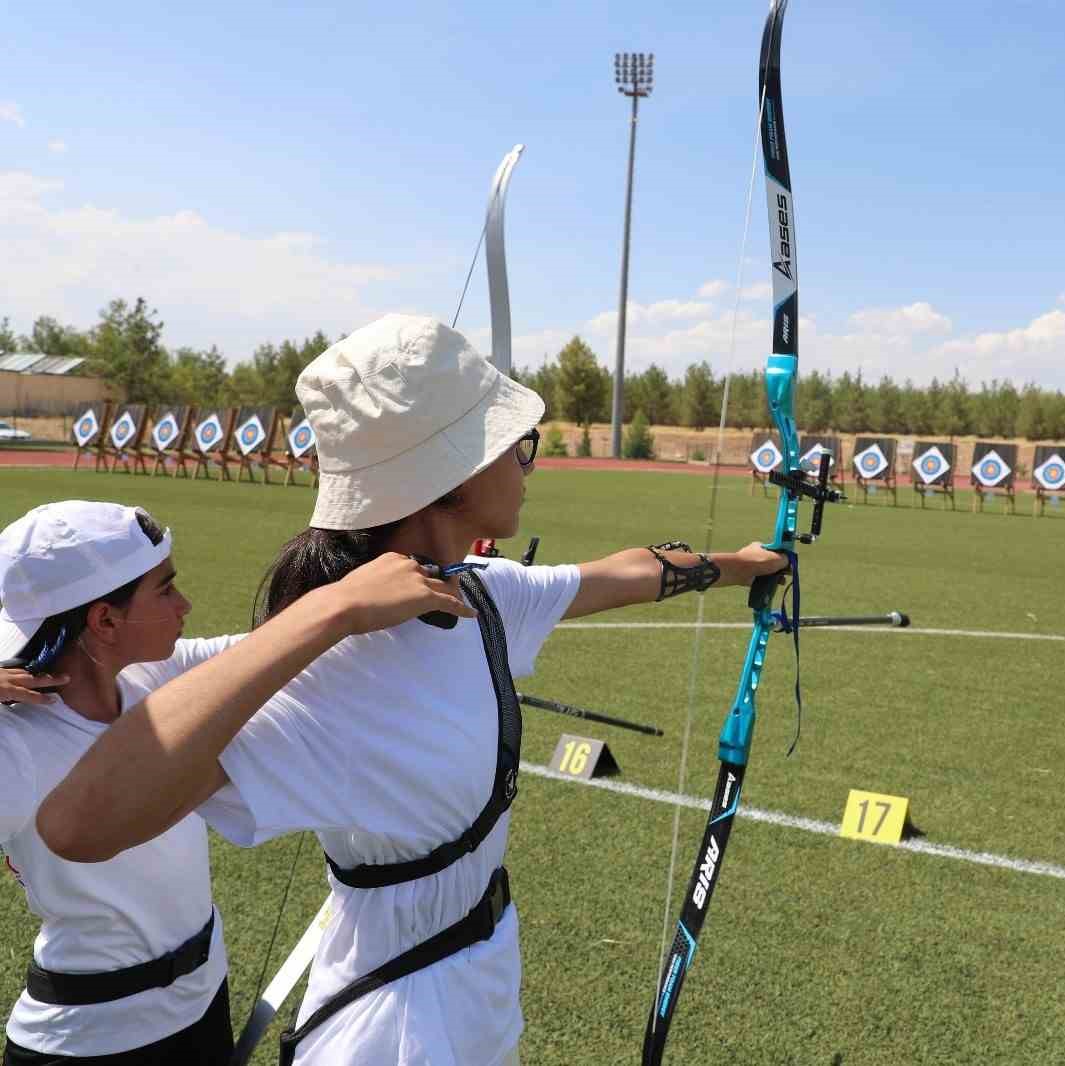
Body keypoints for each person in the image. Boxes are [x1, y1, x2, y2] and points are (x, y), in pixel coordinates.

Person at [37, 314, 788, 1065]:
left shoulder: (485, 595)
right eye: (515, 447)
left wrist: (747, 563)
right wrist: (331, 612)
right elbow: (77, 825)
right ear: (454, 477)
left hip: (476, 982)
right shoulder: (321, 671)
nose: (530, 464)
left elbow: (621, 573)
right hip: (390, 1029)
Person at [0, 501, 463, 1065]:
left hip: (200, 1003)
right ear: (105, 620)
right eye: (166, 590)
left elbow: (273, 649)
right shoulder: (14, 742)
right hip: (90, 1042)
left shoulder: (158, 679)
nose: (184, 604)